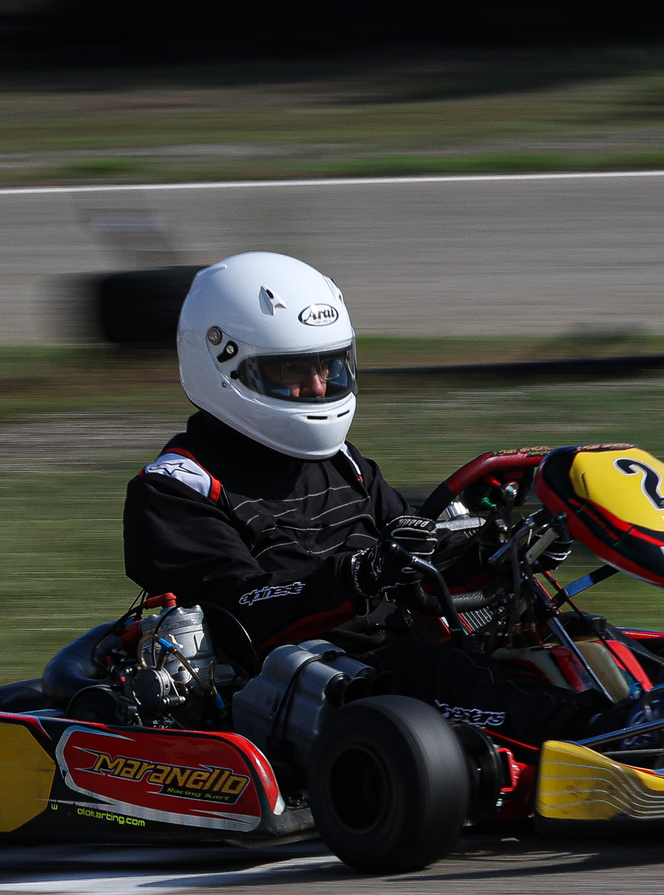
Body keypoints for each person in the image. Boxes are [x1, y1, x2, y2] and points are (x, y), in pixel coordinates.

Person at [122, 251, 613, 748]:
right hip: (309, 681)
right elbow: (244, 612)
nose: (318, 387)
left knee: (576, 636)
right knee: (429, 672)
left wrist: (505, 556)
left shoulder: (340, 462)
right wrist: (360, 574)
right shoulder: (176, 490)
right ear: (224, 363)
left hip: (399, 648)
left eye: (328, 367)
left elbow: (422, 560)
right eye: (292, 370)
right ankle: (602, 736)